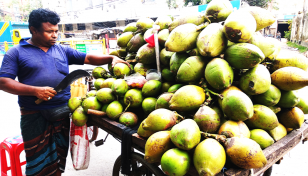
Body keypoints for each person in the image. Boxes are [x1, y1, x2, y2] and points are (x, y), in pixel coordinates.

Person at [0, 9, 129, 176]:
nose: (55, 35)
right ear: (33, 30)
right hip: (34, 114)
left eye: (56, 31)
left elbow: (88, 58)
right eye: (49, 31)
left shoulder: (62, 50)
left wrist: (110, 58)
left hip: (61, 112)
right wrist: (34, 91)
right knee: (37, 160)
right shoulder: (16, 52)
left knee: (59, 157)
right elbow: (4, 82)